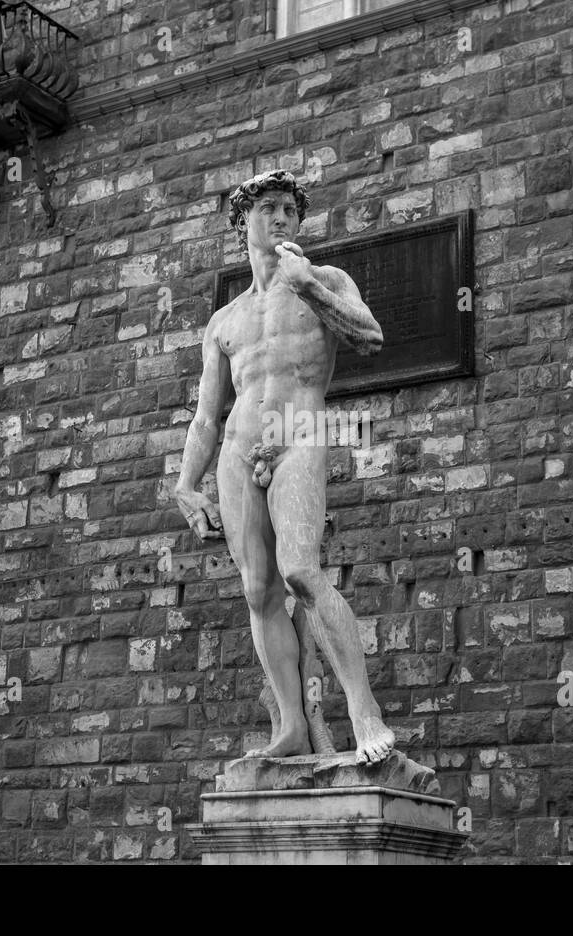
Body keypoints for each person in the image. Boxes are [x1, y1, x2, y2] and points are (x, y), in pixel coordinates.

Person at [173, 169, 394, 764]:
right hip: (238, 449)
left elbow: (371, 337)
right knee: (258, 590)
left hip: (300, 432)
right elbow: (205, 416)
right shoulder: (224, 321)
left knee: (300, 568)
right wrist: (185, 484)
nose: (281, 219)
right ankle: (292, 726)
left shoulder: (323, 280)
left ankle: (363, 711)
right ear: (242, 222)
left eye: (290, 211)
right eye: (268, 209)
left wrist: (310, 289)